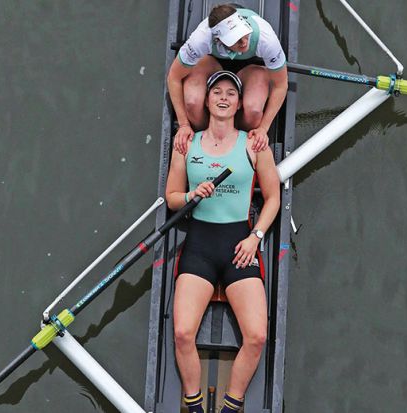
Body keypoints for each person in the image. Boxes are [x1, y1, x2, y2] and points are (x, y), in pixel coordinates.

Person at [165, 70, 280, 413]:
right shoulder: (187, 143)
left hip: (238, 247)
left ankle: (232, 404)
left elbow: (272, 199)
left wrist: (255, 237)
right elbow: (172, 197)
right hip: (199, 245)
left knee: (257, 336)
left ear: (239, 104)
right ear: (208, 100)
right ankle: (193, 402)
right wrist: (190, 194)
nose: (224, 98)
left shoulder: (254, 144)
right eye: (218, 92)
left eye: (232, 93)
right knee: (183, 333)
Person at [168, 3, 288, 156]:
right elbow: (174, 77)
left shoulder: (266, 39)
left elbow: (280, 85)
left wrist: (263, 129)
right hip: (211, 61)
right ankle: (203, 137)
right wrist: (184, 123)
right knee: (192, 102)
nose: (244, 42)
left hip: (252, 66)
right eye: (235, 39)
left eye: (243, 34)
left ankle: (238, 140)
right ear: (218, 39)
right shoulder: (200, 40)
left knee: (254, 110)